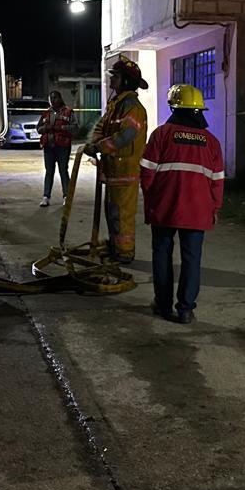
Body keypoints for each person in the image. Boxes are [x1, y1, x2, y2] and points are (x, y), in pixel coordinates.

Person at [140, 84, 224, 324]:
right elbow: (217, 181)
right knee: (192, 258)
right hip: (198, 211)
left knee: (162, 254)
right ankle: (185, 309)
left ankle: (163, 305)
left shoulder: (161, 134)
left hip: (165, 207)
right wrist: (214, 208)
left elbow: (146, 173)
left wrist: (153, 198)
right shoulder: (212, 142)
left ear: (173, 107)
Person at [88, 58, 148, 264]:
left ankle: (125, 253)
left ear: (126, 81)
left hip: (125, 171)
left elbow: (124, 137)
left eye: (116, 76)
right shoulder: (116, 104)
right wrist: (94, 142)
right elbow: (101, 126)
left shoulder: (133, 108)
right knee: (112, 212)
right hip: (113, 170)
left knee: (122, 215)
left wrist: (98, 147)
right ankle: (115, 247)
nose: (112, 79)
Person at [37, 89, 74, 207]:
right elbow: (38, 129)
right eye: (51, 98)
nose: (53, 100)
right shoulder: (46, 113)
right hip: (49, 147)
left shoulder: (68, 112)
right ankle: (46, 196)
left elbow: (75, 128)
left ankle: (66, 196)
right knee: (49, 172)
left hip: (63, 146)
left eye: (55, 98)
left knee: (63, 171)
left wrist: (61, 128)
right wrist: (44, 129)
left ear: (60, 98)